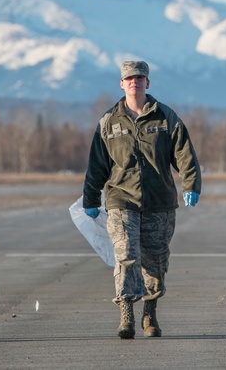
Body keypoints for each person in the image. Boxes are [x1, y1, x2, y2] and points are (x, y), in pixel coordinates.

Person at [82, 60, 202, 340]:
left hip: (160, 202)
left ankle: (150, 310)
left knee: (155, 261)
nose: (134, 82)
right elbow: (96, 164)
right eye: (129, 78)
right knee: (126, 256)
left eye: (139, 77)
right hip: (121, 200)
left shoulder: (166, 118)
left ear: (147, 83)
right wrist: (90, 197)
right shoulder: (108, 121)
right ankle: (126, 311)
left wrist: (191, 183)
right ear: (121, 84)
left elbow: (184, 153)